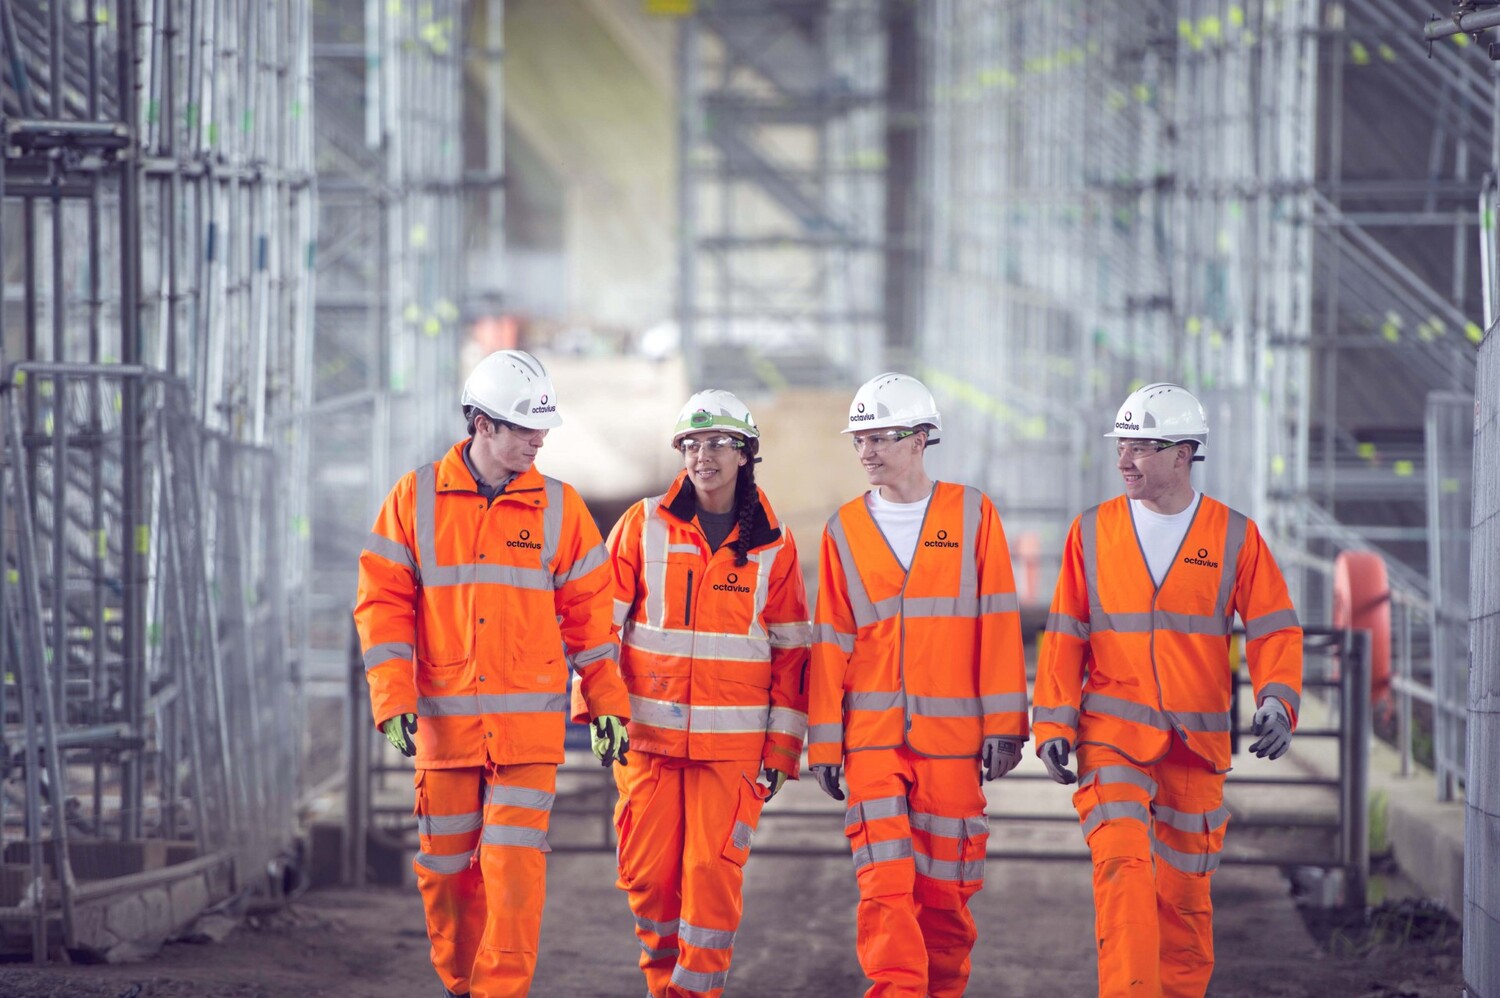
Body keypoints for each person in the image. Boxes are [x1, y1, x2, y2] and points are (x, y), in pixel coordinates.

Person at [354, 349, 631, 998]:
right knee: (448, 874)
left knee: (512, 868)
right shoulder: (414, 500)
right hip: (445, 731)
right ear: (481, 424)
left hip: (526, 738)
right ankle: (462, 985)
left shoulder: (561, 510)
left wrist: (606, 700)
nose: (538, 441)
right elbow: (381, 605)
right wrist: (392, 697)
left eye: (543, 430)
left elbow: (592, 623)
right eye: (523, 429)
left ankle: (500, 992)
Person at [1032, 382, 1303, 998]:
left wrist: (1277, 698)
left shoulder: (1235, 536)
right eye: (1121, 446)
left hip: (1195, 747)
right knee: (1123, 875)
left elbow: (1273, 627)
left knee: (1184, 903)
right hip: (1112, 739)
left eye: (1142, 448)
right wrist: (1052, 725)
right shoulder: (1092, 532)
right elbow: (1065, 636)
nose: (1124, 460)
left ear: (1183, 454)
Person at [578, 389, 811, 998]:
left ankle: (697, 993)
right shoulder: (642, 525)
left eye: (717, 444)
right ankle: (662, 987)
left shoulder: (774, 546)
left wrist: (783, 749)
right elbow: (597, 626)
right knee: (651, 881)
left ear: (745, 453)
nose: (702, 456)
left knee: (710, 880)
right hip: (648, 743)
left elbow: (791, 653)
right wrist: (601, 707)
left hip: (730, 753)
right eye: (691, 444)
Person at [806, 373, 1029, 998]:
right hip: (872, 740)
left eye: (880, 437)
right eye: (860, 440)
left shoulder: (972, 513)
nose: (867, 451)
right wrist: (824, 744)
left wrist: (1006, 725)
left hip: (954, 743)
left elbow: (998, 622)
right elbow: (830, 643)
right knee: (883, 885)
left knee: (946, 898)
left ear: (922, 437)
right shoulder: (843, 529)